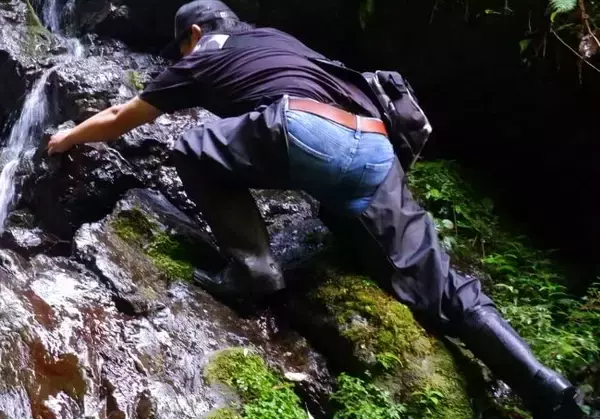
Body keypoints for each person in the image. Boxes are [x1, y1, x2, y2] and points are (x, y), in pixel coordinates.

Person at [47, 1, 584, 417]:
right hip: (375, 148)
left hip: (304, 131)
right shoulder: (279, 40)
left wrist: (65, 138)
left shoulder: (205, 54)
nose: (181, 57)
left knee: (191, 145)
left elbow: (121, 117)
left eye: (181, 47)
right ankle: (547, 389)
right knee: (441, 287)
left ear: (193, 33)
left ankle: (253, 270)